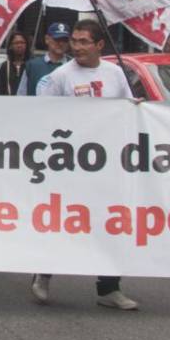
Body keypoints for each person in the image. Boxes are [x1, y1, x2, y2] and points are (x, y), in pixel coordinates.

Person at [31, 19, 141, 311]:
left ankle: (109, 288)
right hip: (70, 165)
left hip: (107, 166)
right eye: (74, 41)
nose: (76, 47)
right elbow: (41, 117)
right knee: (63, 223)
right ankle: (43, 273)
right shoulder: (60, 77)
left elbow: (128, 110)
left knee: (110, 225)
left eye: (83, 42)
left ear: (100, 45)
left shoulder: (115, 73)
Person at [23, 24, 71, 96]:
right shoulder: (32, 66)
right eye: (57, 39)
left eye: (64, 40)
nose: (61, 43)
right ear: (47, 39)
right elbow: (21, 95)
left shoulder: (75, 65)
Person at [0, 30, 30, 95]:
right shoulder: (5, 66)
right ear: (10, 46)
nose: (19, 45)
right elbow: (0, 89)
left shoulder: (31, 65)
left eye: (22, 42)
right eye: (16, 43)